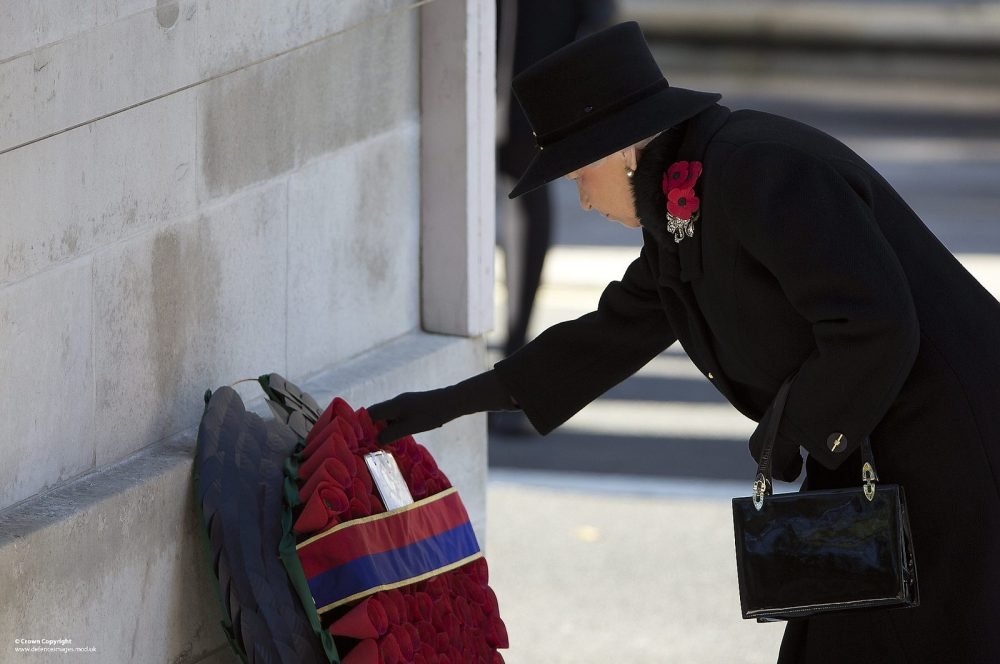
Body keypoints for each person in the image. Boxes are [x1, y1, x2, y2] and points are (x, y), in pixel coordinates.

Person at [368, 21, 1000, 662]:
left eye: (578, 175)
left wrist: (789, 431)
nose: (582, 201)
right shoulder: (686, 203)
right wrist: (447, 403)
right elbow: (607, 336)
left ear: (623, 150)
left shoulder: (759, 166)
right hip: (881, 450)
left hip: (955, 447)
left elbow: (873, 323)